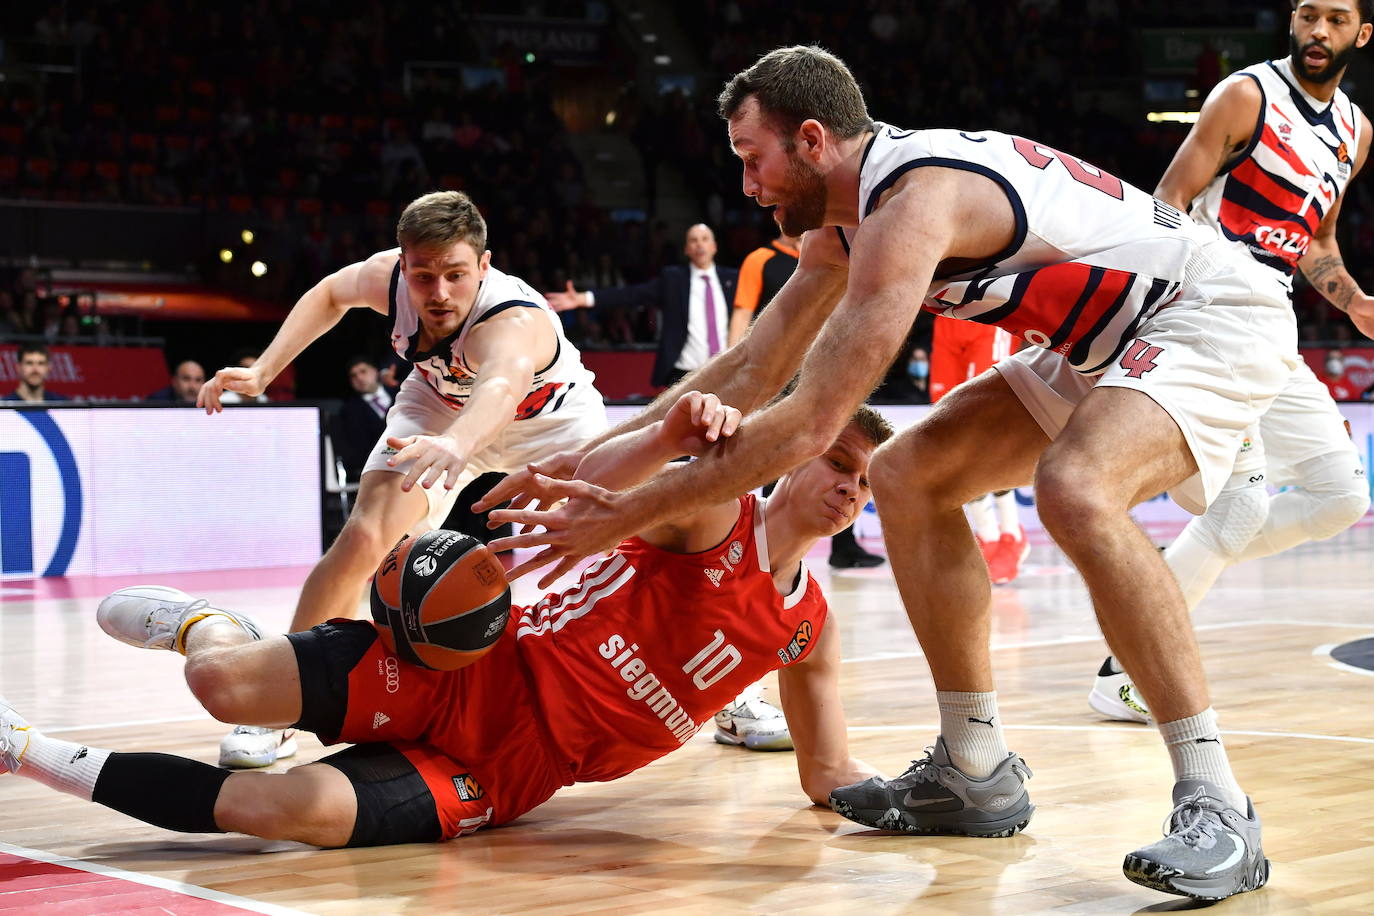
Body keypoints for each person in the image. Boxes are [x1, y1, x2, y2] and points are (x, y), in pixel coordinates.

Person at [472, 46, 1359, 900]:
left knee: (1074, 488)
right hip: (1102, 343)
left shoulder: (913, 201)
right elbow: (746, 373)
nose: (747, 185)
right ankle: (974, 767)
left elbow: (808, 423)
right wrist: (579, 469)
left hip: (1211, 311)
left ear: (814, 142)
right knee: (908, 472)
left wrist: (619, 516)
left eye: (755, 159)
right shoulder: (846, 223)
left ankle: (1219, 807)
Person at [0, 391, 888, 848]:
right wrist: (664, 439)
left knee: (274, 813)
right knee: (221, 685)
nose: (850, 487)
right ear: (798, 454)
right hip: (478, 665)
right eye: (839, 461)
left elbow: (828, 769)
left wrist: (911, 802)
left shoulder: (809, 624)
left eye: (865, 482)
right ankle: (206, 626)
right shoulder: (711, 515)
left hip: (516, 771)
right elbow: (598, 480)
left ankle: (19, 750)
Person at [196, 190, 607, 769]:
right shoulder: (389, 278)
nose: (439, 293)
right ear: (403, 262)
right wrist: (265, 370)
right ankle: (278, 708)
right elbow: (330, 294)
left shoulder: (513, 320)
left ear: (484, 266)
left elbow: (500, 388)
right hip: (438, 406)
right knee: (364, 537)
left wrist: (459, 444)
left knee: (644, 523)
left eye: (456, 276)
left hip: (551, 423)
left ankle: (732, 698)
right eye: (424, 276)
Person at [1090, 0, 1374, 725]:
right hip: (1212, 312)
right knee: (1240, 506)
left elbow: (1315, 241)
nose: (1318, 31)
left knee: (1341, 495)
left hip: (1272, 323)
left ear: (1361, 34)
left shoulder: (1355, 130)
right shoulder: (1246, 94)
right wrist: (1159, 307)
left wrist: (1355, 301)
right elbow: (1170, 201)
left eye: (1336, 20)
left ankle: (1156, 577)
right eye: (1308, 15)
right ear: (1291, 21)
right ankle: (1124, 669)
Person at [729, 227, 884, 572]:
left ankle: (844, 547)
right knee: (777, 457)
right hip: (780, 374)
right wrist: (732, 365)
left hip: (829, 374)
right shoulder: (762, 260)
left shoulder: (838, 260)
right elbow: (743, 311)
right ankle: (759, 543)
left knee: (843, 459)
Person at [546, 224, 738, 388]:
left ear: (714, 246)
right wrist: (584, 298)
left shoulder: (733, 279)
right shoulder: (673, 279)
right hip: (685, 373)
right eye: (693, 240)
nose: (699, 245)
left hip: (725, 370)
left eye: (704, 239)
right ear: (687, 249)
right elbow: (631, 294)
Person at [930, 317, 1028, 584]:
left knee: (984, 423)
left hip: (985, 309)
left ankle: (1011, 534)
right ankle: (988, 535)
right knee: (948, 424)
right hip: (945, 312)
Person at [728, 229, 801, 346]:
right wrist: (732, 362)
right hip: (774, 354)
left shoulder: (826, 259)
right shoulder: (759, 259)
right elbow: (742, 316)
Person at [334, 355, 397, 481]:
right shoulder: (349, 411)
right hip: (374, 471)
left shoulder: (401, 394)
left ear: (375, 371)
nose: (359, 378)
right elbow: (355, 450)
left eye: (363, 371)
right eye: (353, 376)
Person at [2, 343, 70, 402]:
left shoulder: (63, 405)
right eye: (29, 363)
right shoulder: (4, 408)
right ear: (18, 367)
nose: (35, 370)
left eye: (41, 363)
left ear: (49, 368)